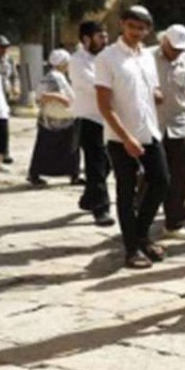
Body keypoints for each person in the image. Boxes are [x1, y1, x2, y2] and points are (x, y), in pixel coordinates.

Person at [95, 6, 170, 270]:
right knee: (126, 193)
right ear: (122, 24)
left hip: (149, 132)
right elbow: (105, 105)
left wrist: (157, 94)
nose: (136, 32)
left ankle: (141, 233)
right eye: (132, 26)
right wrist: (125, 137)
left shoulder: (147, 57)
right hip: (120, 137)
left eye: (142, 28)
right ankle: (132, 249)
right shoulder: (108, 57)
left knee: (161, 182)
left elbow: (153, 88)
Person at [71, 21, 114, 226]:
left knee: (107, 164)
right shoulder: (78, 61)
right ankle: (101, 209)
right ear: (87, 39)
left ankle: (89, 198)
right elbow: (95, 86)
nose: (105, 40)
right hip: (89, 119)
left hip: (109, 119)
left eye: (105, 36)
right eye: (100, 37)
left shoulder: (107, 58)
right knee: (96, 165)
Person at [154, 24, 185, 240]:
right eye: (173, 47)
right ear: (164, 41)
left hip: (180, 126)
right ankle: (141, 219)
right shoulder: (147, 57)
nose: (176, 52)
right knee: (152, 177)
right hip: (153, 126)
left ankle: (174, 222)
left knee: (180, 177)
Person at [26, 49, 80, 187]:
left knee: (66, 149)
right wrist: (61, 98)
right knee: (51, 149)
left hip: (60, 120)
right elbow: (42, 95)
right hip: (55, 120)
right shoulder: (54, 77)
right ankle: (36, 175)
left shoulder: (57, 76)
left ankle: (73, 174)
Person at [0, 35, 19, 116]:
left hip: (6, 91)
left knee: (3, 112)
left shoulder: (9, 59)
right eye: (2, 46)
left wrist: (15, 86)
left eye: (6, 46)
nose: (5, 49)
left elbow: (14, 75)